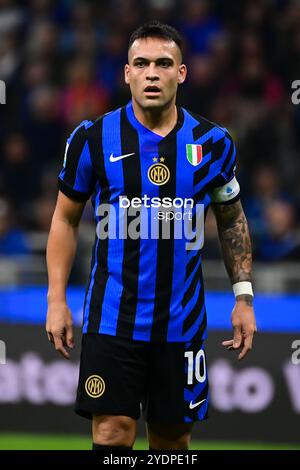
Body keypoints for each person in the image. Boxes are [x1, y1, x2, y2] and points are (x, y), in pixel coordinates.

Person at [46, 21, 257, 451]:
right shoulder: (91, 138)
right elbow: (64, 220)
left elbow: (232, 220)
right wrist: (55, 300)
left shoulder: (213, 143)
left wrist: (244, 297)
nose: (152, 73)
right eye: (141, 64)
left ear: (182, 73)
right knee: (111, 434)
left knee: (171, 443)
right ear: (126, 73)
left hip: (181, 324)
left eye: (164, 64)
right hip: (112, 321)